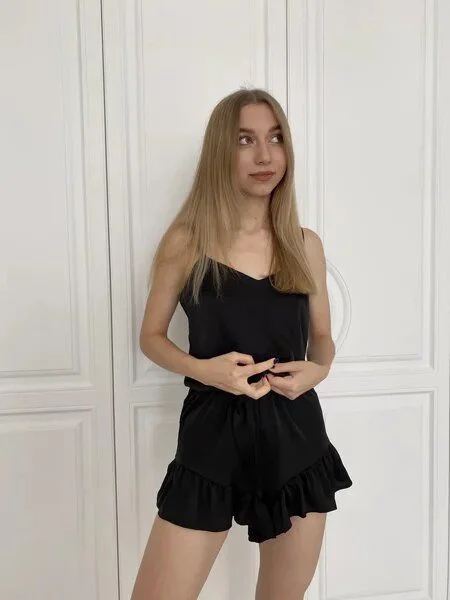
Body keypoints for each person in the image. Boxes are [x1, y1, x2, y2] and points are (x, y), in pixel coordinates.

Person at [132, 88, 353, 600]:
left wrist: (318, 370)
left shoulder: (304, 244)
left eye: (275, 138)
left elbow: (322, 337)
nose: (264, 155)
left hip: (295, 436)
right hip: (211, 436)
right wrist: (205, 370)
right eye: (245, 140)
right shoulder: (186, 242)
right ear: (220, 150)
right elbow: (151, 337)